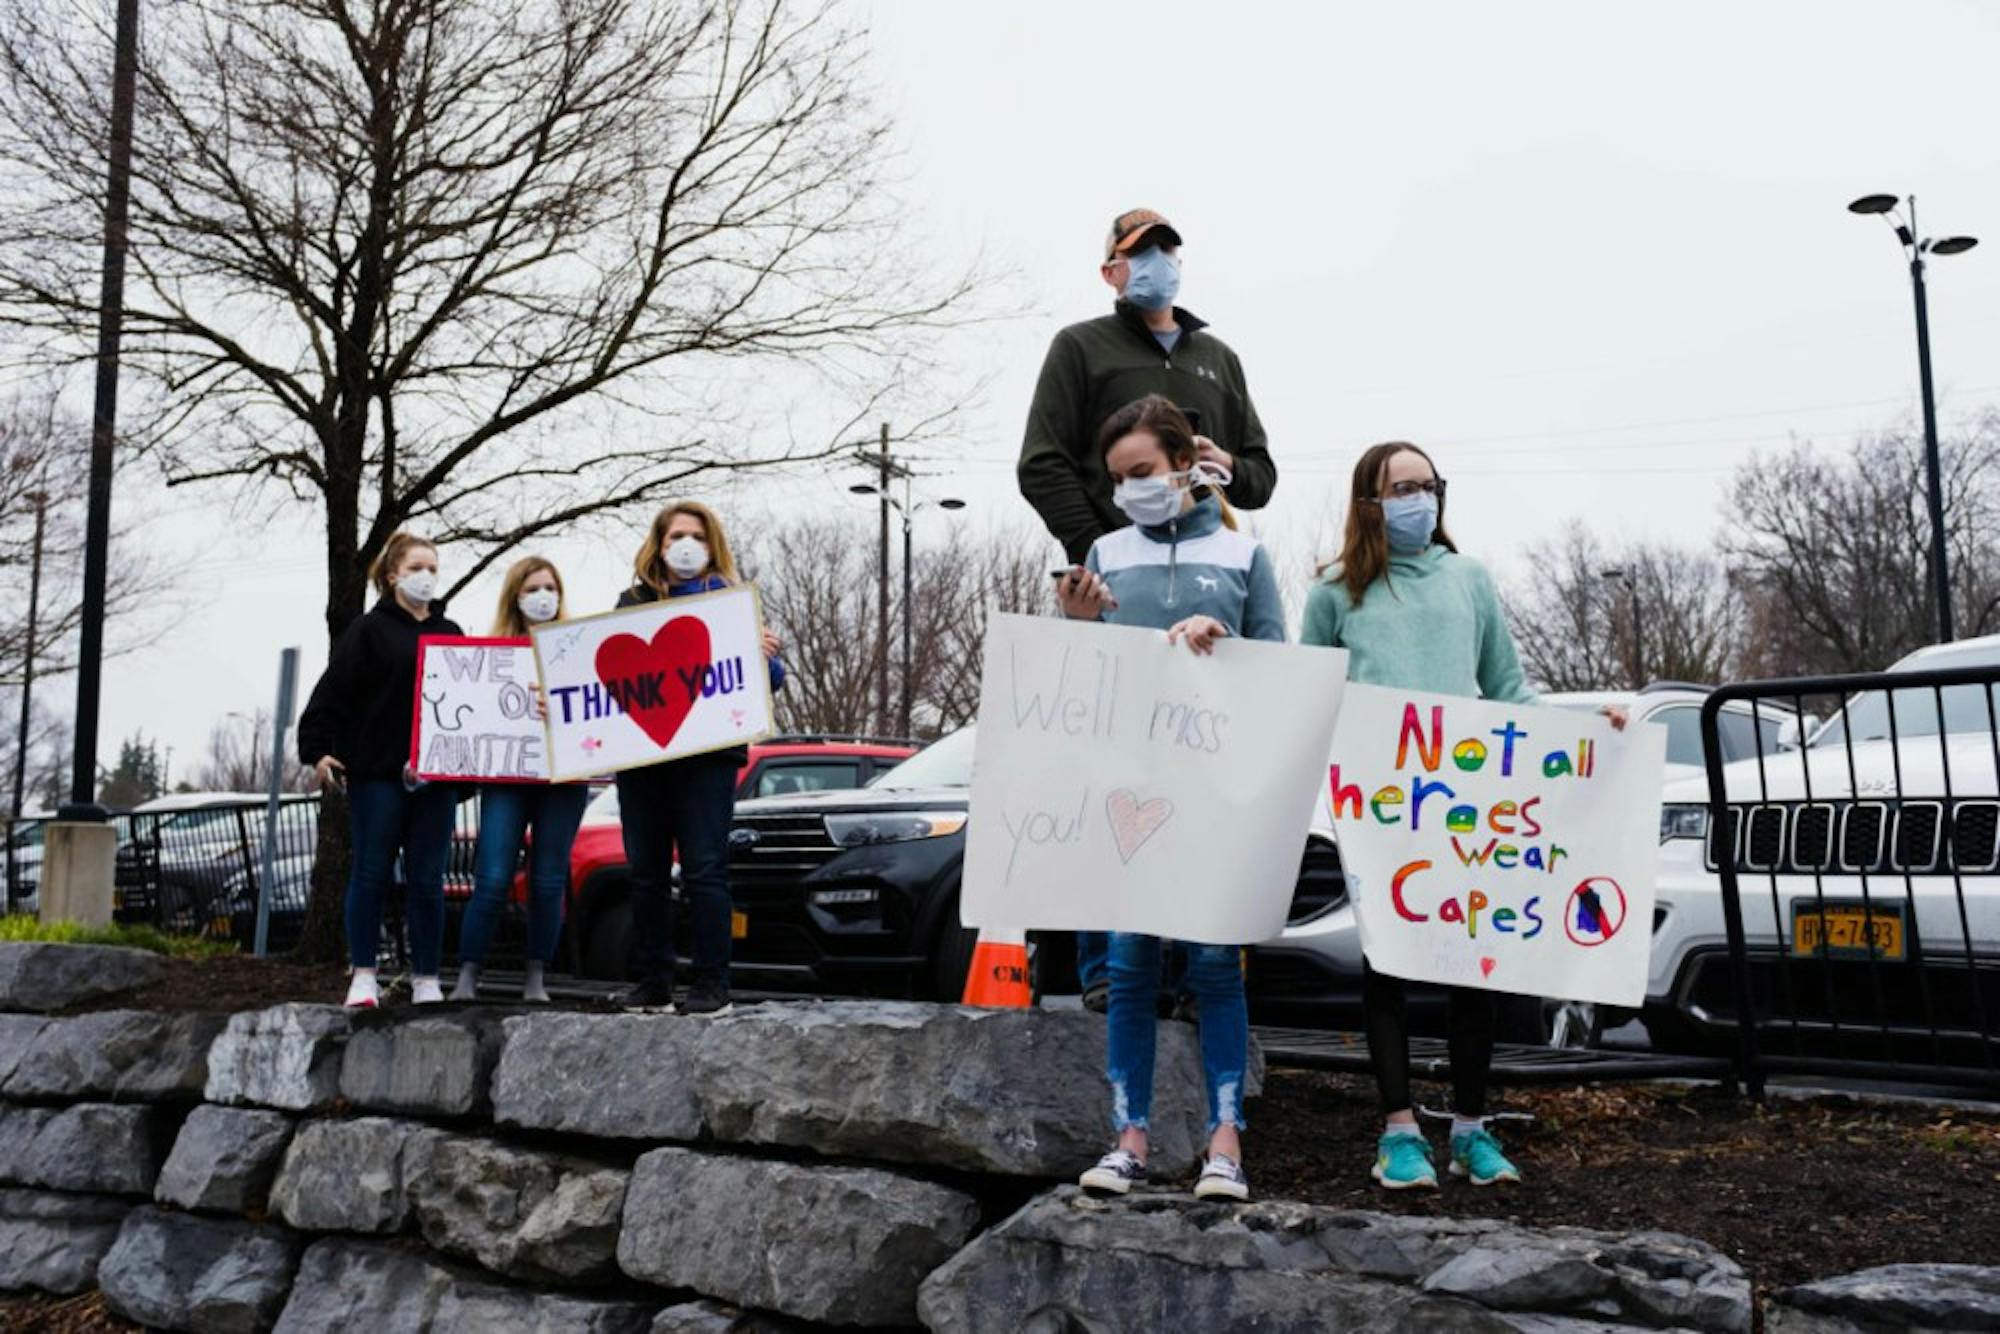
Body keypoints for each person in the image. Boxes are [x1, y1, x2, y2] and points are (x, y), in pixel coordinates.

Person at [1299, 442, 1625, 1191]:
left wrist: (1587, 728)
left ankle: (1472, 1130)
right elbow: (1309, 694)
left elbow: (1507, 688)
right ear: (1369, 502)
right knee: (1387, 967)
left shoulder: (1468, 578)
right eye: (1402, 487)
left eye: (1429, 485)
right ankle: (1400, 1133)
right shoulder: (1332, 591)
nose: (1421, 499)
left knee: (1474, 969)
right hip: (1383, 808)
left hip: (1468, 808)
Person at [1019, 207, 1279, 1010]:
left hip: (1208, 593)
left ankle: (1200, 970)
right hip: (1117, 598)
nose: (1156, 262)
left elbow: (1262, 477)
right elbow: (1040, 464)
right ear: (1111, 271)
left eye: (1167, 248)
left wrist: (1229, 465)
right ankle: (1106, 975)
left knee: (1201, 787)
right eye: (1138, 253)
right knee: (1113, 779)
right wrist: (1111, 543)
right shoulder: (1082, 347)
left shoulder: (1218, 359)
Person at [1059, 395, 1283, 1204]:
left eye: (1144, 472)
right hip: (1131, 787)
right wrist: (1076, 628)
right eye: (1120, 479)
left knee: (1217, 963)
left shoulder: (1244, 553)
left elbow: (1278, 671)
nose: (1132, 490)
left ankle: (1226, 1146)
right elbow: (1081, 687)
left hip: (1214, 791)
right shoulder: (1106, 552)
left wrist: (1224, 646)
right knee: (1128, 964)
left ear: (1186, 461)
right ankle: (1128, 1140)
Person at [613, 502, 784, 1016]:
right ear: (658, 545)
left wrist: (766, 657)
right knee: (645, 872)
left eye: (695, 536)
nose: (685, 545)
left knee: (705, 870)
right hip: (643, 758)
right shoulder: (632, 602)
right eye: (675, 537)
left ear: (711, 545)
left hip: (707, 757)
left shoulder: (732, 604)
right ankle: (653, 982)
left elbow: (768, 685)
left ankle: (711, 984)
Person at [298, 531, 462, 1009]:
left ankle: (427, 977)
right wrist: (317, 750)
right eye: (416, 568)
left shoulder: (451, 633)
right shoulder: (368, 631)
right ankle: (365, 974)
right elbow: (332, 692)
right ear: (393, 576)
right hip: (378, 774)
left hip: (436, 779)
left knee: (429, 880)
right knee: (371, 872)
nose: (426, 577)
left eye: (433, 568)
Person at [450, 556, 589, 1004]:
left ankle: (536, 977)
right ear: (515, 596)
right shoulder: (489, 655)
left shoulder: (579, 649)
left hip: (563, 779)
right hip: (506, 778)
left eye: (551, 587)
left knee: (548, 880)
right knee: (491, 876)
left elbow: (600, 713)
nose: (543, 597)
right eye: (532, 589)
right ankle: (469, 973)